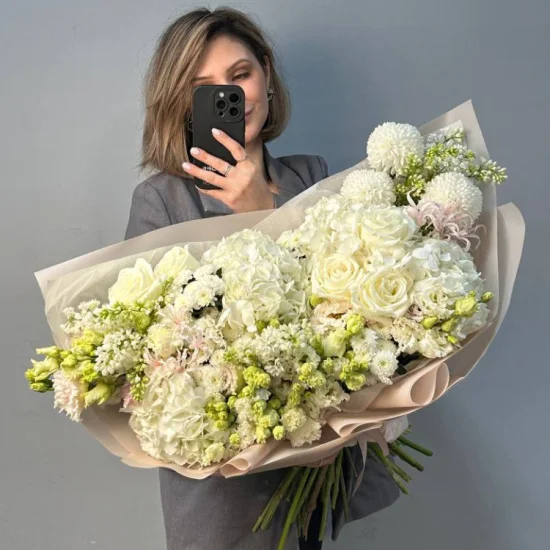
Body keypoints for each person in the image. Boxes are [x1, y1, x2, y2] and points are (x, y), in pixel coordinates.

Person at [124, 7, 399, 550]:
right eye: (204, 87)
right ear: (182, 101)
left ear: (266, 75)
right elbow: (152, 356)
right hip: (223, 484)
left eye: (241, 74)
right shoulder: (162, 200)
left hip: (319, 464)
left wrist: (263, 207)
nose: (231, 95)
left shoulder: (311, 176)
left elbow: (349, 309)